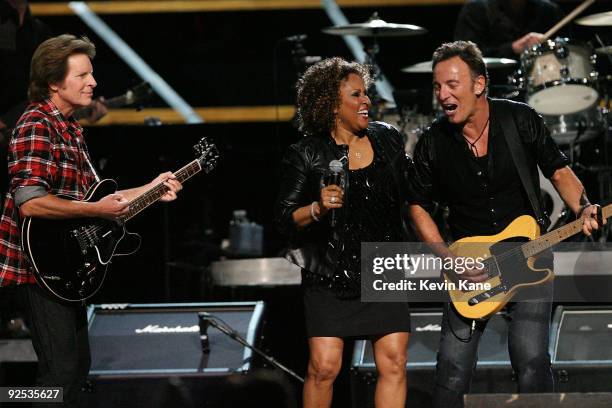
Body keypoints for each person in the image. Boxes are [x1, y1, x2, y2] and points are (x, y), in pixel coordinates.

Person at [409, 41, 604, 408]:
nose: (442, 95)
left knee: (531, 361)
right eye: (437, 87)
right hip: (470, 266)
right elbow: (417, 205)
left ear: (479, 85)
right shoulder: (433, 142)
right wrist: (447, 259)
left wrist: (584, 207)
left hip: (529, 256)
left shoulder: (519, 118)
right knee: (451, 370)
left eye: (452, 85)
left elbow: (558, 170)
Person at [0, 34, 183, 407]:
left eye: (91, 74)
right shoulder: (36, 124)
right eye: (82, 75)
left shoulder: (71, 129)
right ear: (54, 81)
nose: (93, 83)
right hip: (34, 269)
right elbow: (31, 204)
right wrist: (100, 211)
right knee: (60, 373)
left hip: (61, 267)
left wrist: (151, 188)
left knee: (76, 368)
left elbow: (100, 200)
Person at [274, 57, 413, 408]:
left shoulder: (389, 139)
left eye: (366, 93)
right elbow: (284, 217)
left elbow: (412, 196)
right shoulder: (306, 153)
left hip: (383, 265)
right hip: (330, 272)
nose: (367, 101)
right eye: (356, 95)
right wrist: (318, 209)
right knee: (324, 367)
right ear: (332, 105)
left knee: (394, 362)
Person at [454, 0, 566, 59]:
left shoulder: (549, 11)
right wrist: (513, 48)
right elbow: (466, 57)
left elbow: (568, 49)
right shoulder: (475, 10)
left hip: (543, 85)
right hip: (494, 89)